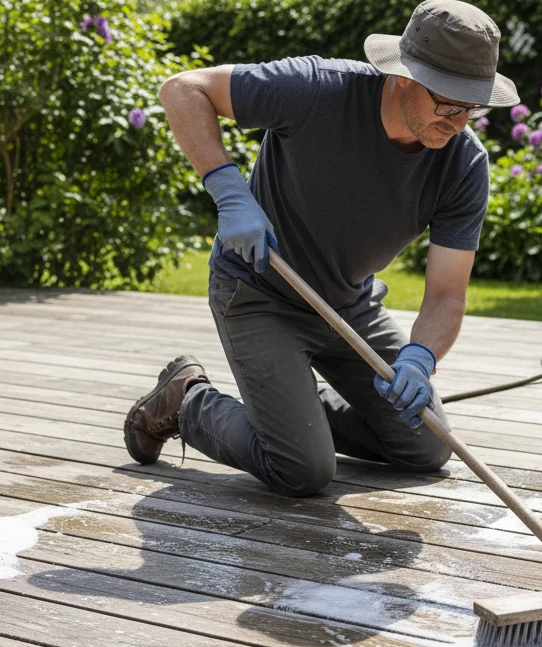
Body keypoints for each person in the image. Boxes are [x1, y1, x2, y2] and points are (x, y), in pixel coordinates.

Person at [123, 0, 519, 497]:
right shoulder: (317, 89)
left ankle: (291, 411)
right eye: (448, 103)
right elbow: (182, 89)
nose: (460, 121)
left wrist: (420, 357)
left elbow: (446, 295)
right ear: (403, 78)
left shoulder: (462, 164)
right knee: (302, 471)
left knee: (427, 447)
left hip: (349, 304)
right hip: (259, 292)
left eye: (473, 106)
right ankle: (187, 401)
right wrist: (228, 192)